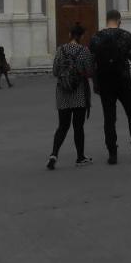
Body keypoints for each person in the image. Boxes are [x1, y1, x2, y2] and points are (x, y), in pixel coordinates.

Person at [90, 10, 131, 165]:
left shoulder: (95, 38)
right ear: (119, 20)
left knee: (109, 119)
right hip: (123, 81)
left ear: (106, 19)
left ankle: (112, 154)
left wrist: (95, 82)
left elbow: (91, 63)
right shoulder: (125, 36)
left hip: (105, 83)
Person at [47, 30, 93, 170]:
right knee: (78, 127)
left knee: (62, 126)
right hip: (79, 93)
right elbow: (90, 71)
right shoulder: (84, 51)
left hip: (63, 93)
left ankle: (53, 155)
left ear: (69, 36)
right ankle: (80, 157)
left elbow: (55, 71)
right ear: (81, 37)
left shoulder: (60, 50)